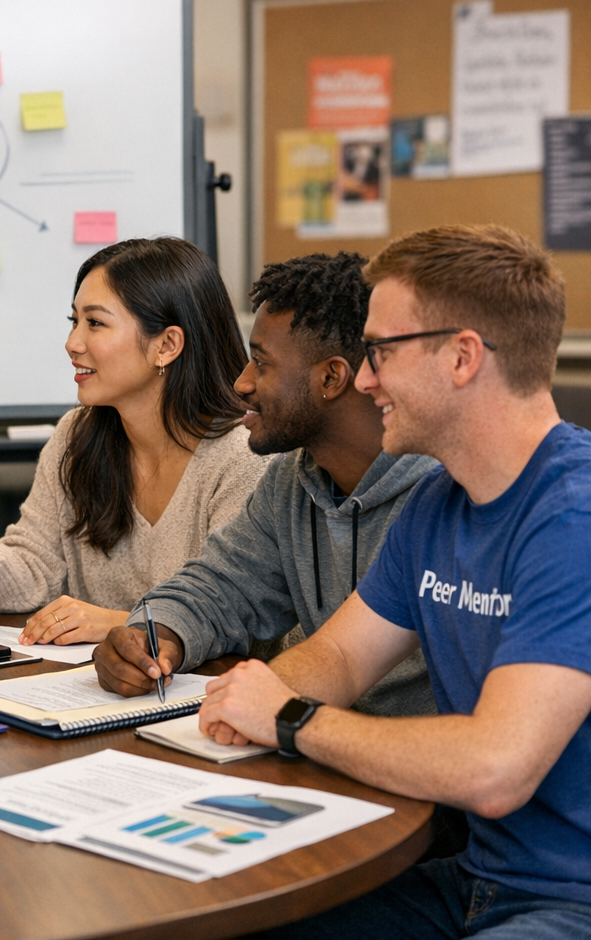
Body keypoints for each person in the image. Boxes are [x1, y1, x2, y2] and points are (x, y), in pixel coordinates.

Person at [202, 226, 591, 938]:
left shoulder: (574, 520)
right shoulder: (439, 503)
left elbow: (495, 769)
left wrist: (291, 720)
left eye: (381, 352)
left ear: (463, 356)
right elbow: (344, 656)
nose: (365, 378)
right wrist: (258, 700)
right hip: (475, 880)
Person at [94, 251, 436, 716]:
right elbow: (220, 589)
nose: (241, 383)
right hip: (320, 748)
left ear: (332, 377)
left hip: (409, 761)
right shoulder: (293, 480)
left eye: (262, 363)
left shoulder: (441, 494)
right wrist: (154, 637)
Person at [0, 237, 269, 643]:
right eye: (74, 321)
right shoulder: (75, 437)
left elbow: (237, 616)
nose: (72, 344)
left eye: (95, 323)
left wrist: (121, 622)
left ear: (166, 345)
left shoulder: (243, 454)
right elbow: (27, 584)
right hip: (89, 693)